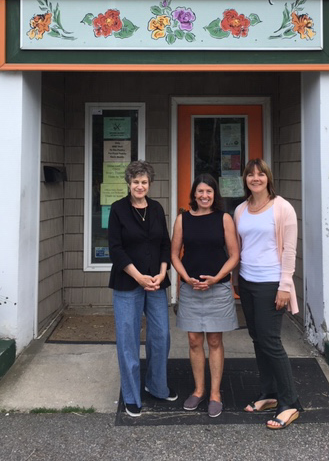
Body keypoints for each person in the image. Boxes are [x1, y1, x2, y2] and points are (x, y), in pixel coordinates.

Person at [233, 158, 303, 430]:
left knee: (271, 341)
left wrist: (285, 286)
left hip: (271, 283)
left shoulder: (282, 208)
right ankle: (270, 394)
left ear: (268, 178)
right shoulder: (241, 209)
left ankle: (291, 403)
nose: (255, 178)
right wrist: (237, 280)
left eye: (260, 174)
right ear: (245, 180)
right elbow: (241, 247)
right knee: (257, 339)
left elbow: (289, 251)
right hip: (248, 282)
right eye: (250, 175)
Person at [108, 160, 177, 418]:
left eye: (144, 182)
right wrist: (139, 276)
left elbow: (164, 245)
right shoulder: (118, 209)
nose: (140, 186)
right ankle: (131, 396)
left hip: (156, 283)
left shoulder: (157, 208)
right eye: (136, 181)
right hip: (128, 282)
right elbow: (115, 248)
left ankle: (157, 386)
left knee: (161, 336)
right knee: (128, 340)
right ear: (129, 183)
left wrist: (160, 273)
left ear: (150, 184)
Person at [171, 174, 240, 418]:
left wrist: (216, 277)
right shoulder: (183, 219)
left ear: (215, 194)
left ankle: (215, 394)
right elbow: (175, 255)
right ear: (194, 194)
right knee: (193, 340)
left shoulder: (224, 219)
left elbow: (234, 255)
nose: (204, 196)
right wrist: (185, 277)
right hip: (191, 289)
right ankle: (199, 390)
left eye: (209, 192)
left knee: (213, 340)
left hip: (217, 288)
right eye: (200, 191)